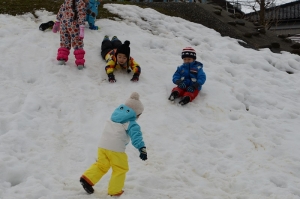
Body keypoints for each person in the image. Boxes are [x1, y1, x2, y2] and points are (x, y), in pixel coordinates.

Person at [80, 92, 147, 196]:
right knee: (120, 169)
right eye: (139, 115)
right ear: (136, 114)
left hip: (102, 146)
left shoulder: (114, 116)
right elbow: (136, 136)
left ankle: (87, 179)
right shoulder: (131, 123)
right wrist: (141, 148)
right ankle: (114, 191)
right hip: (116, 150)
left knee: (102, 165)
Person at [52, 0, 88, 70]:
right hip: (74, 26)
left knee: (64, 41)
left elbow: (61, 10)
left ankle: (62, 59)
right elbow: (81, 14)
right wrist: (82, 27)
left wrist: (58, 21)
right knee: (77, 42)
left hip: (64, 24)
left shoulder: (67, 0)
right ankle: (80, 63)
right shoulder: (80, 2)